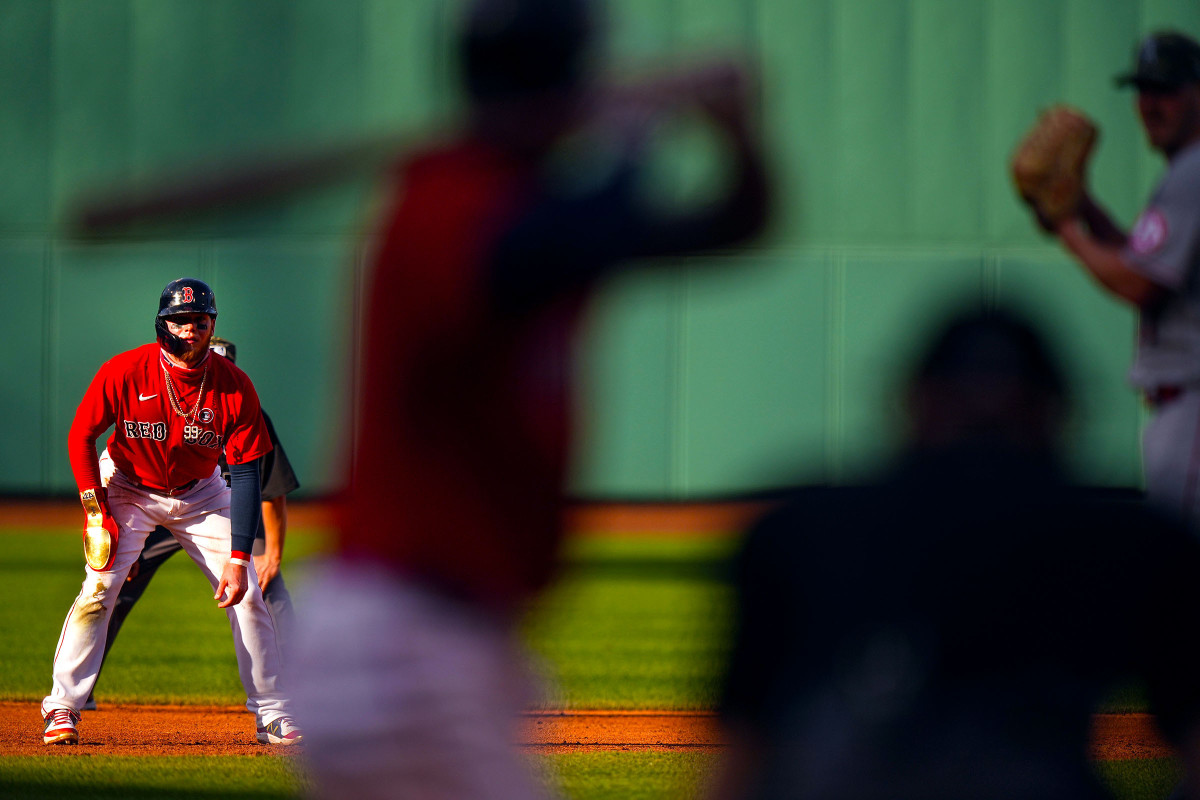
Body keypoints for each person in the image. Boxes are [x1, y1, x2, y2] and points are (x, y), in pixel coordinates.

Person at [290, 0, 769, 796]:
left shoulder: (538, 211)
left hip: (448, 645)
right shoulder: (446, 201)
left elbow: (737, 228)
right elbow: (533, 254)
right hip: (403, 642)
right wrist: (630, 139)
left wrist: (739, 137)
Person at [709, 308, 1200, 800]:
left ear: (913, 403)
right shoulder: (1136, 541)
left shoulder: (797, 530)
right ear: (1055, 413)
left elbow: (741, 761)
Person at [41, 278, 301, 747]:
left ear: (211, 326)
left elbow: (245, 477)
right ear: (162, 323)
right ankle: (63, 707)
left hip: (202, 493)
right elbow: (81, 435)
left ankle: (273, 713)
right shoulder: (124, 371)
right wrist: (93, 509)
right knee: (100, 587)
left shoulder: (235, 388)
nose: (189, 329)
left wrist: (241, 559)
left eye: (199, 321)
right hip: (127, 486)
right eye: (179, 320)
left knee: (248, 595)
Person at [82, 335, 301, 717]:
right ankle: (80, 692)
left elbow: (271, 487)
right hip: (161, 498)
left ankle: (303, 695)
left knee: (266, 593)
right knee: (115, 587)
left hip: (223, 508)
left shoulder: (244, 407)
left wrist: (272, 553)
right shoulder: (163, 398)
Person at [1040, 30, 1200, 529]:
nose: (1149, 104)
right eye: (1142, 90)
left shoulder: (1193, 172)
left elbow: (1139, 283)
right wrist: (1084, 207)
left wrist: (1066, 228)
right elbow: (1138, 258)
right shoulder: (1185, 171)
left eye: (1166, 90)